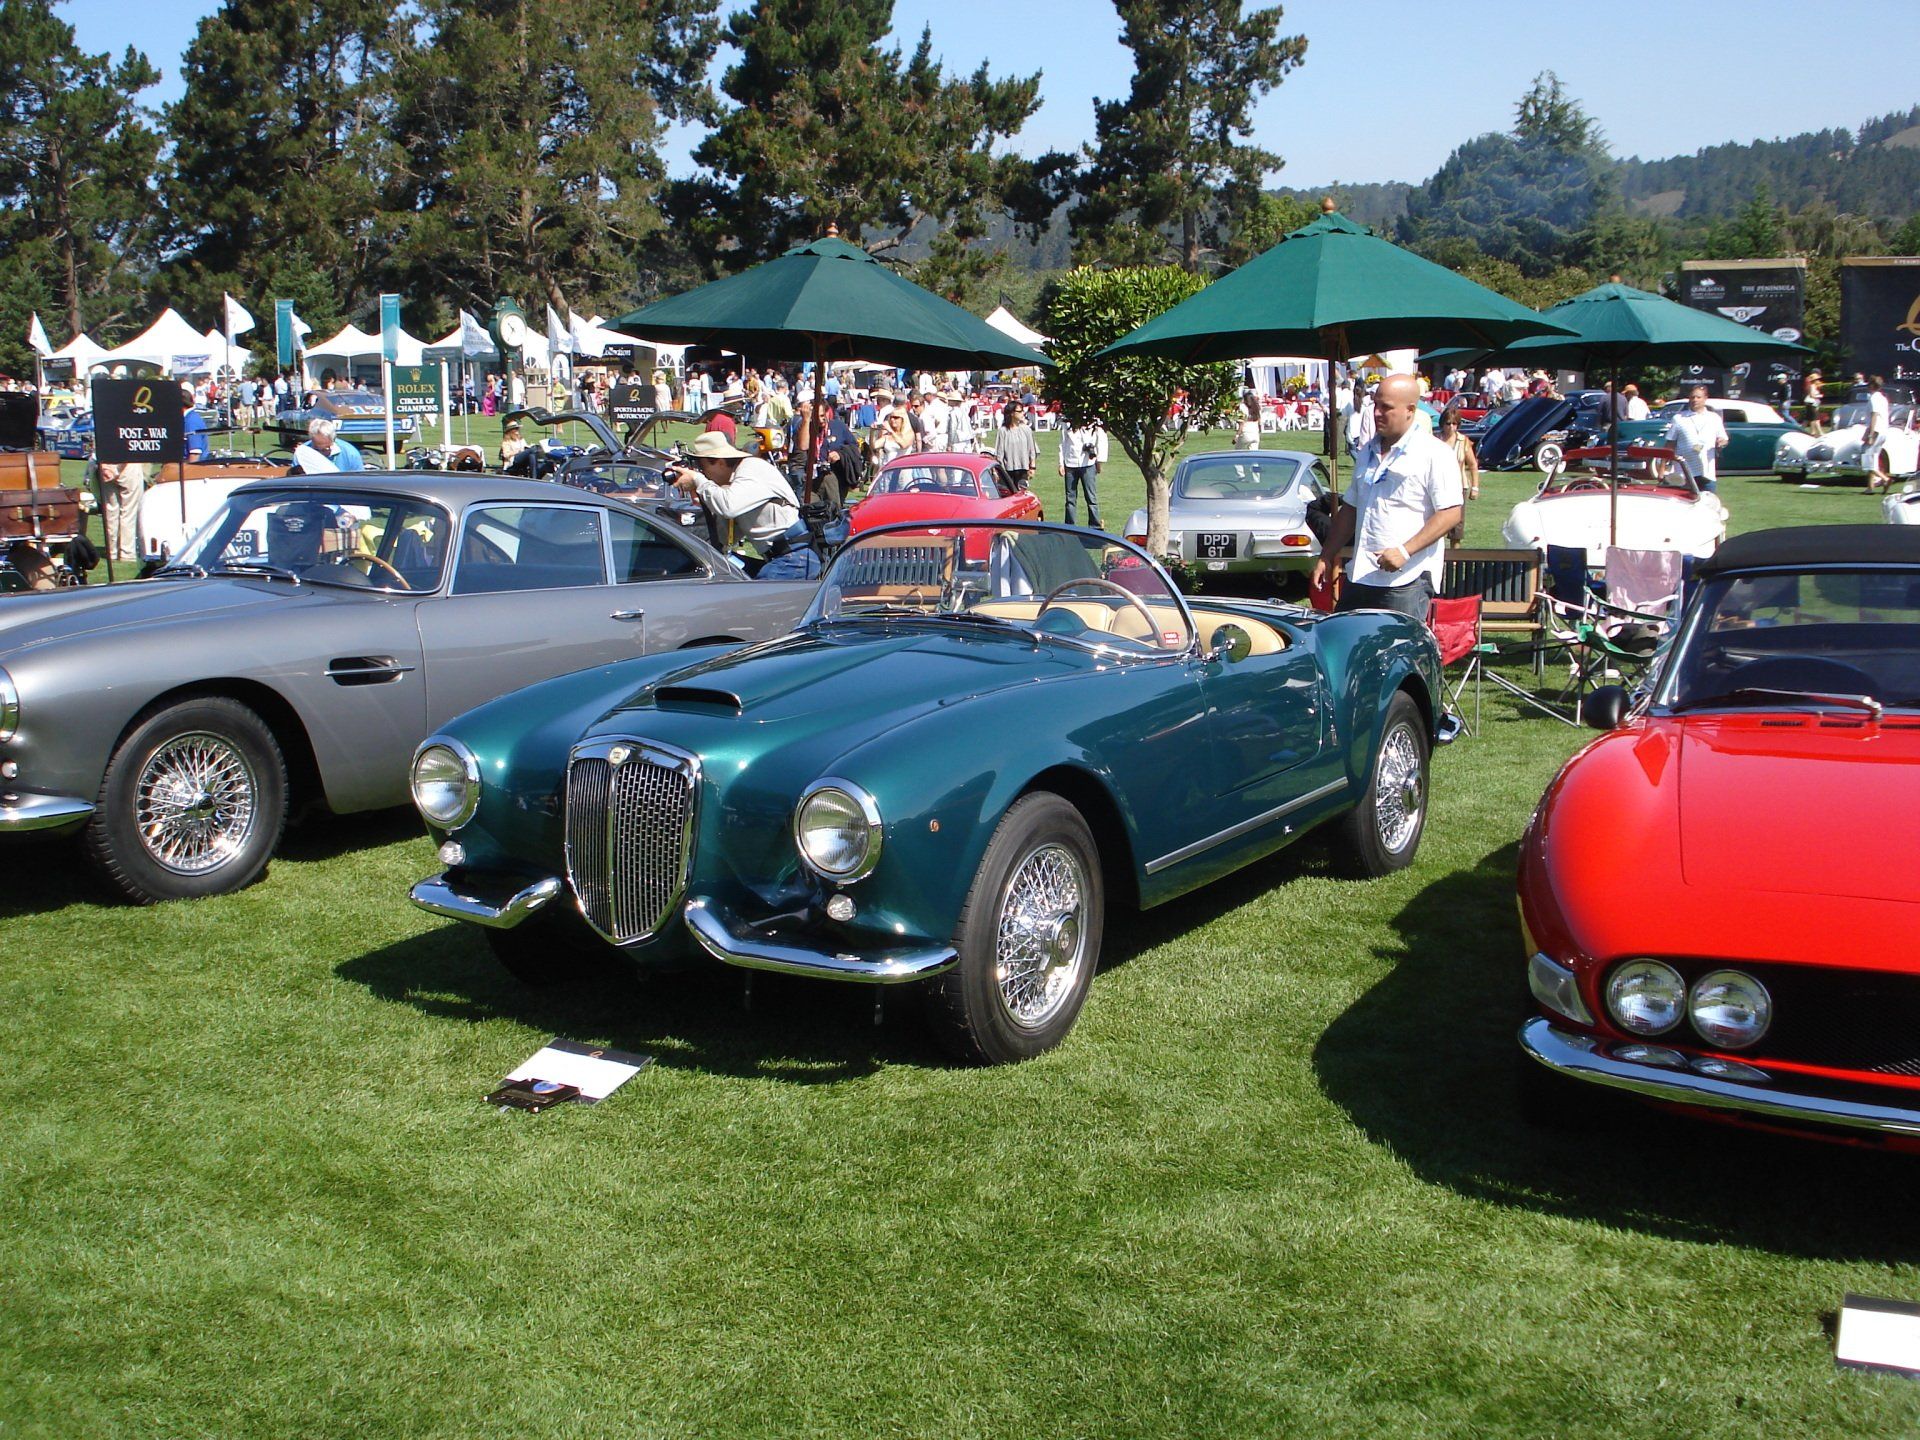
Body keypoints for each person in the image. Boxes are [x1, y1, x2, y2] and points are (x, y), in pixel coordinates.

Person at [1310, 374, 1463, 620]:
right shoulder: (1366, 451)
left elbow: (1451, 512)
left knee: (1397, 655)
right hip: (1362, 574)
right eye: (1376, 405)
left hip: (1406, 580)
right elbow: (1351, 508)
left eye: (1386, 407)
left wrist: (1404, 551)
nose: (1377, 413)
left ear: (1410, 410)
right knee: (1345, 647)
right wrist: (1327, 555)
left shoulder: (1434, 454)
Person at [669, 430, 816, 579]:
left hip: (796, 558)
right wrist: (703, 498)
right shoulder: (732, 485)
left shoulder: (751, 468)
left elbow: (728, 507)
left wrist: (698, 481)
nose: (702, 472)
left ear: (720, 462)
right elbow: (725, 539)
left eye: (702, 466)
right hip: (782, 558)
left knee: (751, 600)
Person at [1662, 386, 1729, 492]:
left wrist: (1721, 442)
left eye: (1698, 397)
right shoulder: (1679, 418)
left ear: (1705, 398)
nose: (1695, 400)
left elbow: (1723, 438)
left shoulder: (1714, 418)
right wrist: (1662, 471)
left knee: (1708, 505)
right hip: (1683, 474)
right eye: (1692, 397)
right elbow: (1669, 445)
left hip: (1706, 473)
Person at [1436, 406, 1480, 543]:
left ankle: (1454, 561)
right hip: (1438, 485)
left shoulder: (1463, 441)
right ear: (1442, 424)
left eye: (1454, 423)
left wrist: (1475, 487)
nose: (1451, 427)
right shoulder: (1435, 440)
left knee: (1457, 526)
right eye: (1448, 423)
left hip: (1459, 487)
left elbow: (1472, 464)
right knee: (1436, 523)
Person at [94, 459, 147, 562]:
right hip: (129, 465)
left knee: (110, 512)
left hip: (106, 463)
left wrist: (105, 468)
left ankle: (112, 552)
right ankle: (126, 553)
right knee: (129, 513)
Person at [1058, 414, 1103, 528]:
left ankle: (1095, 526)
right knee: (1070, 498)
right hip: (1070, 464)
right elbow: (1062, 444)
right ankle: (1070, 526)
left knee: (1091, 497)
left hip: (1088, 464)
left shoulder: (1093, 423)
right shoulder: (1066, 423)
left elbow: (1098, 443)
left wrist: (1099, 462)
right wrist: (1061, 464)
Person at [293, 417, 365, 474]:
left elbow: (359, 481)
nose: (321, 453)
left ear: (333, 440)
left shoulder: (350, 453)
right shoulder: (302, 453)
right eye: (316, 449)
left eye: (326, 449)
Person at [994, 401, 1037, 488]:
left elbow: (1032, 449)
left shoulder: (1026, 430)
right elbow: (999, 453)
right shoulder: (1003, 431)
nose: (1022, 413)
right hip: (1007, 470)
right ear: (1012, 413)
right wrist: (999, 471)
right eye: (1020, 411)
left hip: (1023, 469)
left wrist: (1032, 467)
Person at [1863, 375, 1892, 491]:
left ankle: (1885, 479)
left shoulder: (1874, 398)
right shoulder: (1883, 398)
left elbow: (1874, 415)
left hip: (1875, 430)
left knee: (1866, 457)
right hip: (1883, 430)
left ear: (1872, 385)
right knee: (1873, 458)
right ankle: (1870, 487)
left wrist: (1870, 434)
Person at [179, 384, 212, 462]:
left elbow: (195, 453)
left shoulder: (191, 421)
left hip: (191, 469)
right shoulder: (189, 418)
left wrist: (188, 473)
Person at [1234, 380, 1262, 451]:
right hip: (1255, 433)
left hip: (1246, 433)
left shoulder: (1242, 407)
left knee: (1238, 454)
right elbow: (1259, 421)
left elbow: (1242, 423)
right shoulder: (1256, 407)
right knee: (1254, 458)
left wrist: (1237, 436)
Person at [1801, 369, 1824, 436]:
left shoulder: (1812, 385)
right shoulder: (1812, 386)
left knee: (1807, 419)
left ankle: (1802, 430)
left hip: (1810, 404)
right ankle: (1820, 432)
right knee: (1816, 419)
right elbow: (1812, 395)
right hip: (1812, 404)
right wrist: (1819, 396)